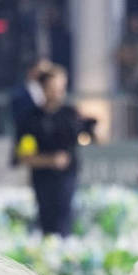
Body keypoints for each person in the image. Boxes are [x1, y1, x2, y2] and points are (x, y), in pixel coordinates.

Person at [11, 62, 92, 237]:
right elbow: (24, 155)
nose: (59, 92)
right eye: (54, 87)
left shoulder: (71, 115)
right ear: (44, 89)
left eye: (61, 87)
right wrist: (50, 160)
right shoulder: (31, 120)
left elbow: (92, 136)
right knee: (47, 221)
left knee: (65, 219)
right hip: (43, 179)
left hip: (67, 177)